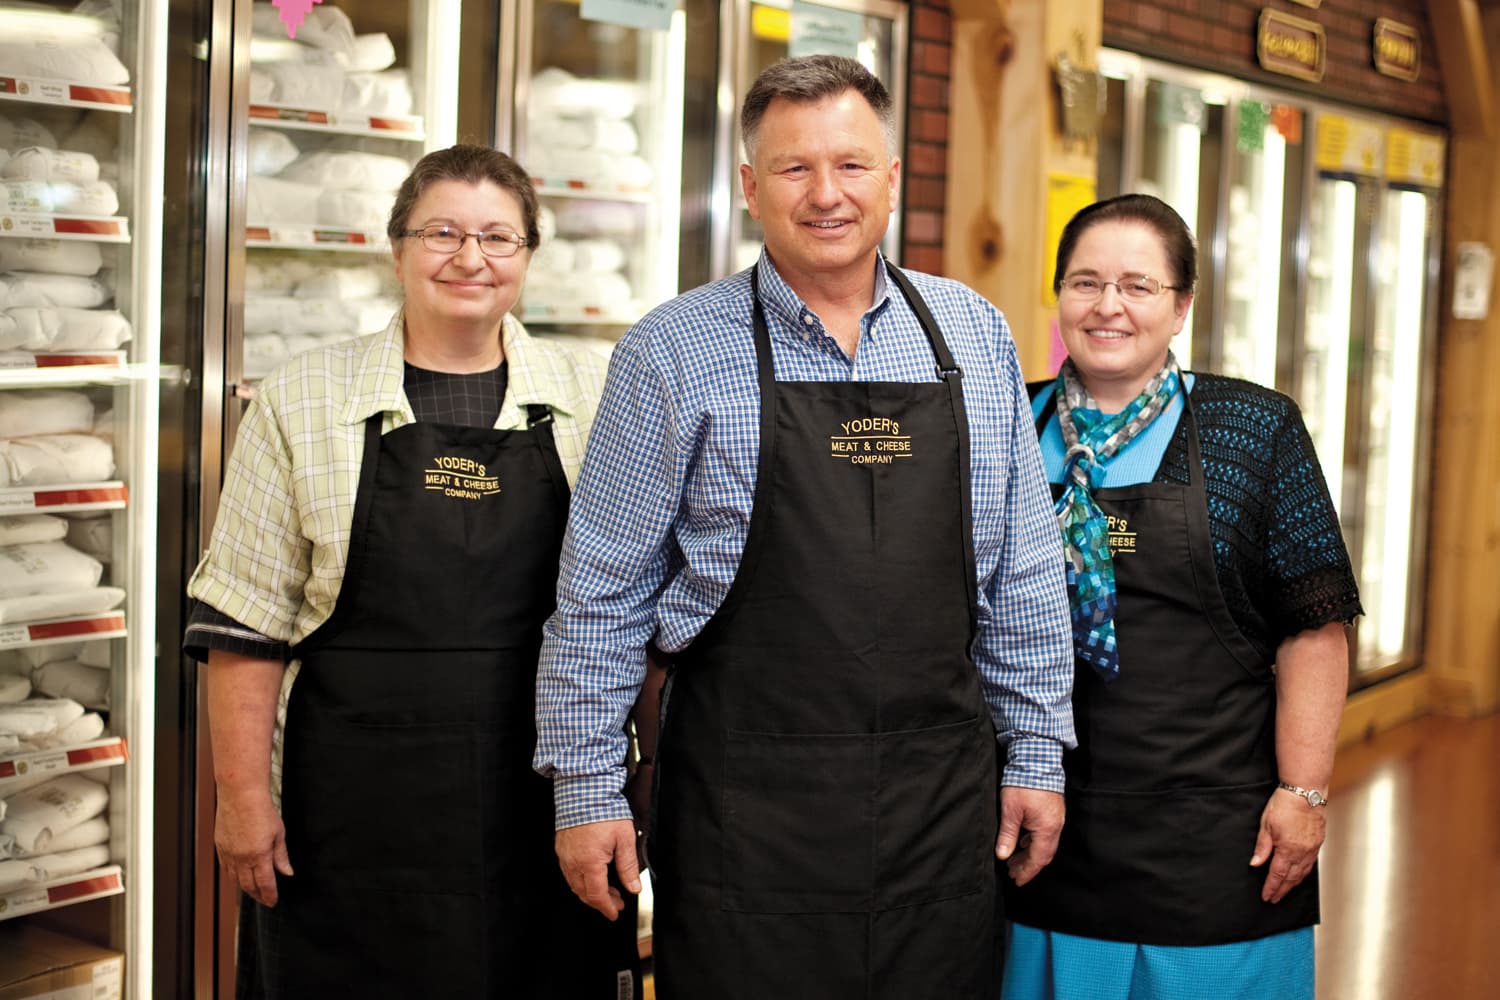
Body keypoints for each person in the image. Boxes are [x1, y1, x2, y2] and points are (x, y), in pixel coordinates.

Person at [533, 55, 1076, 997]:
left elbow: (1023, 569)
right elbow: (600, 596)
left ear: (894, 177)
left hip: (938, 809)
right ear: (750, 187)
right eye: (794, 169)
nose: (827, 194)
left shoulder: (973, 334)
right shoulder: (671, 350)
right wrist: (585, 790)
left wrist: (1036, 754)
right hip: (748, 813)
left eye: (852, 165)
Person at [184, 144, 640, 998]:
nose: (471, 259)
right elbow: (246, 621)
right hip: (348, 817)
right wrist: (242, 800)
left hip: (543, 806)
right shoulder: (303, 396)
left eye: (499, 238)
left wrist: (629, 788)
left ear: (528, 257)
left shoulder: (598, 389)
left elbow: (632, 608)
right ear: (396, 249)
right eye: (443, 233)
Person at [1001, 193, 1361, 1000]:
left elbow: (1314, 628)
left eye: (1138, 285)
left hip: (1215, 836)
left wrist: (1303, 794)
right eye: (1086, 282)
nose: (1109, 306)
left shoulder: (1252, 429)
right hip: (1043, 821)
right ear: (1059, 296)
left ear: (1183, 305)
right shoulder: (1008, 422)